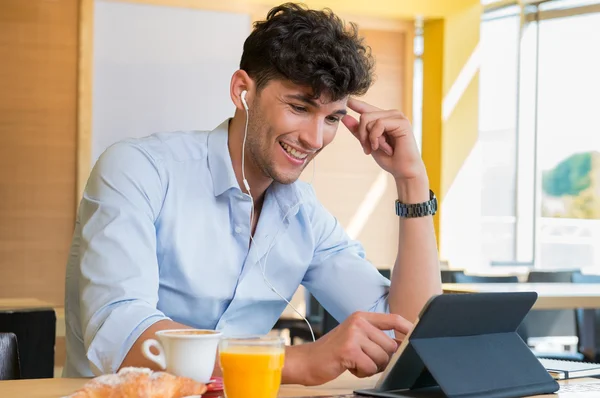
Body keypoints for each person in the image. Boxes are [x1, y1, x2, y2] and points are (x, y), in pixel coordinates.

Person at [63, 2, 441, 386]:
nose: (314, 139)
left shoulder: (305, 215)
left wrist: (411, 181)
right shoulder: (137, 170)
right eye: (298, 107)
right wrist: (294, 361)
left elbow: (406, 335)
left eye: (331, 118)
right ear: (242, 90)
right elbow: (121, 333)